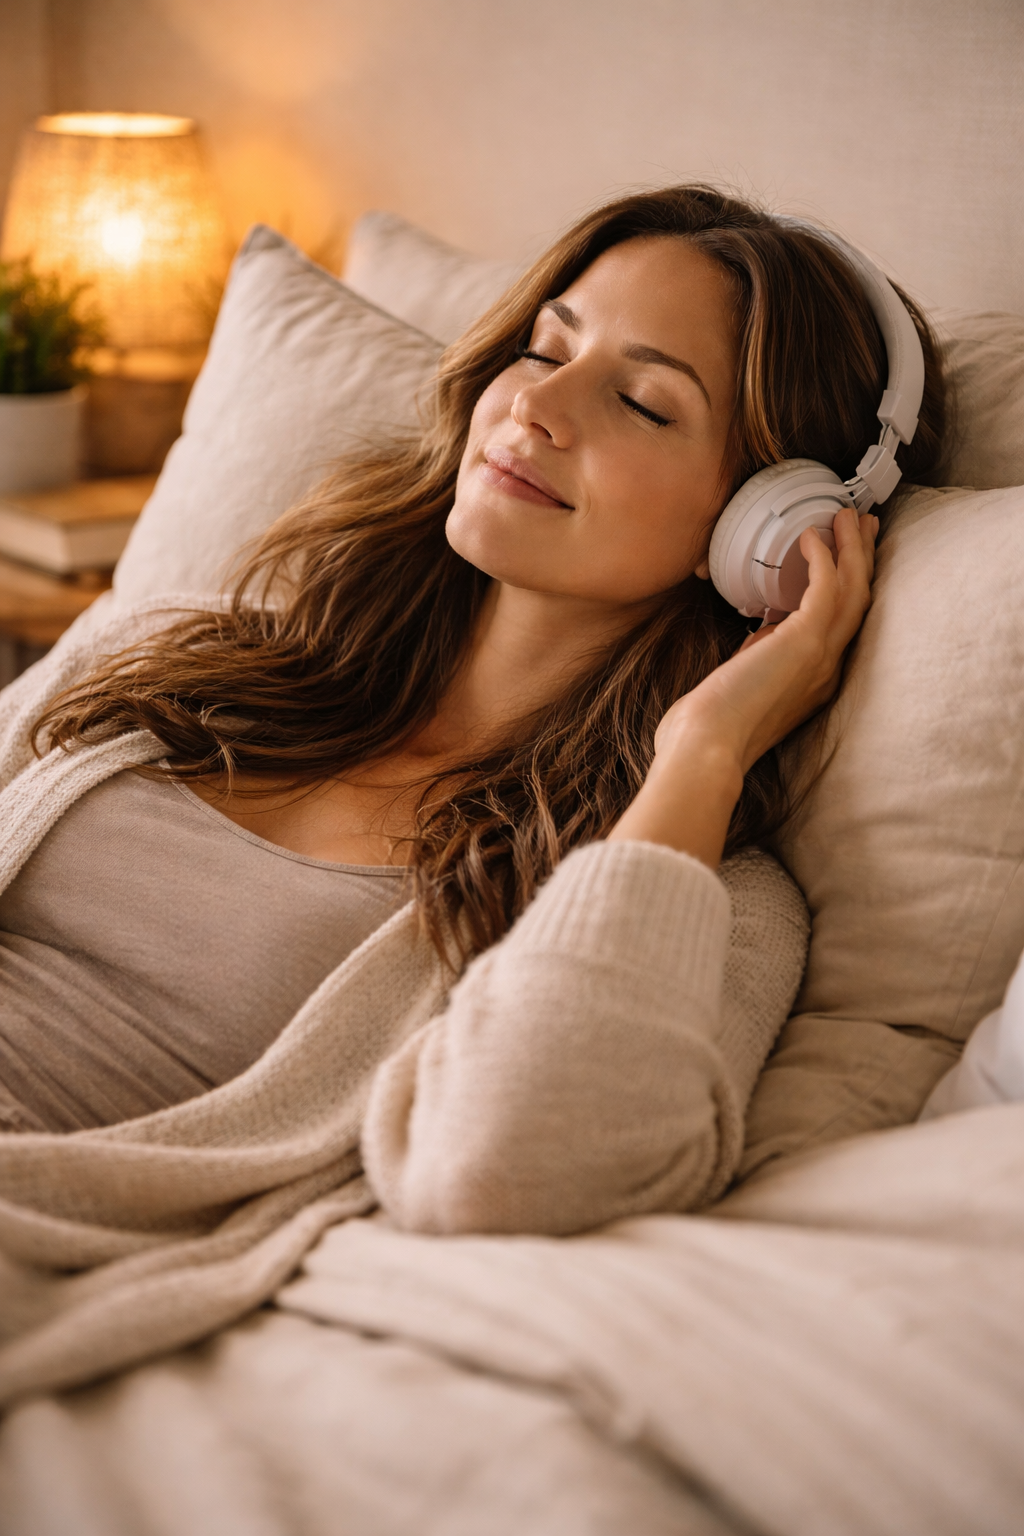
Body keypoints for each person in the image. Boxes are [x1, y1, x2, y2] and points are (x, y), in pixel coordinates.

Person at [0, 186, 947, 1235]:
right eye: (545, 352)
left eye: (643, 402)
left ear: (762, 532)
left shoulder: (697, 900)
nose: (533, 408)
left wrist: (706, 747)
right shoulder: (176, 649)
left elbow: (508, 1169)